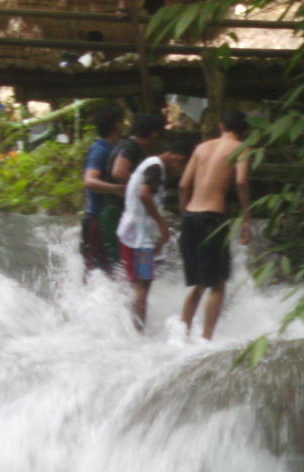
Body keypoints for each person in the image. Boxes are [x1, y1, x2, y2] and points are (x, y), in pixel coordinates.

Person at [178, 109, 252, 340]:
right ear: (244, 132)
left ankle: (181, 334)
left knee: (198, 283)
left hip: (191, 216)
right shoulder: (241, 148)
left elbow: (182, 185)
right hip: (212, 217)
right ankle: (206, 340)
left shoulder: (201, 148)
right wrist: (247, 217)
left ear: (221, 126)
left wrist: (185, 213)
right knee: (217, 284)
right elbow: (240, 181)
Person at [116, 139, 193, 331]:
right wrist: (162, 224)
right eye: (183, 167)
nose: (180, 172)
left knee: (136, 283)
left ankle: (130, 328)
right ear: (178, 159)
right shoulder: (156, 168)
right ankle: (138, 332)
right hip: (141, 239)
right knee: (143, 284)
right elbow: (144, 194)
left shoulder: (149, 163)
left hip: (131, 233)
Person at [99, 113, 164, 270]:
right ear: (154, 134)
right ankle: (134, 292)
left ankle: (139, 292)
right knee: (128, 269)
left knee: (129, 269)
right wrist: (143, 188)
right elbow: (119, 172)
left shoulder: (127, 145)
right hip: (118, 214)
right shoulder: (131, 147)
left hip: (122, 216)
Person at [81, 105, 125, 275]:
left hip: (108, 219)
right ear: (116, 125)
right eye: (122, 122)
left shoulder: (113, 148)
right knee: (98, 272)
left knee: (110, 270)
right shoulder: (100, 150)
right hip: (97, 219)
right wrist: (116, 189)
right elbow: (89, 181)